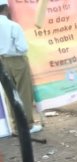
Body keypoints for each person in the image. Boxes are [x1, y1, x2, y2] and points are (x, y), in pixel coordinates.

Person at [0, 0, 41, 133]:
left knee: (9, 94)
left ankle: (15, 124)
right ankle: (27, 125)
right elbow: (22, 48)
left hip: (2, 62)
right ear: (6, 8)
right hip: (16, 60)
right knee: (24, 93)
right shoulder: (13, 25)